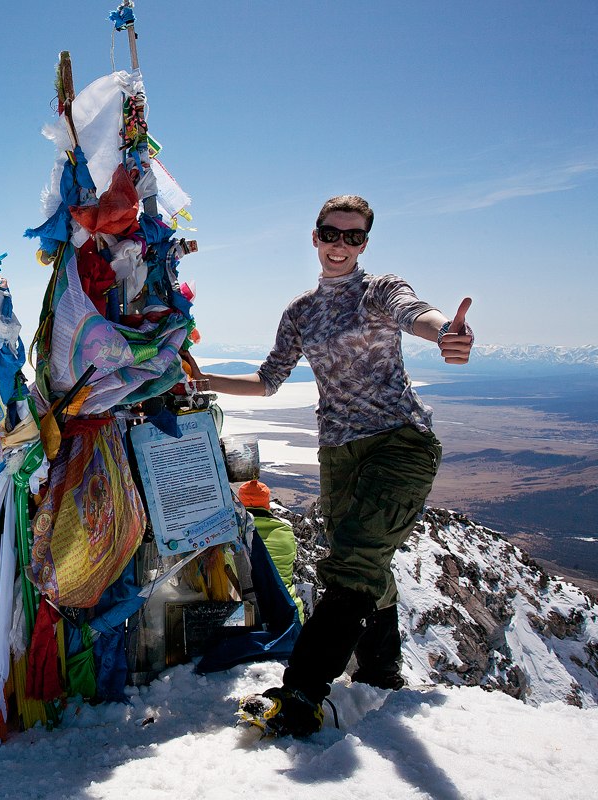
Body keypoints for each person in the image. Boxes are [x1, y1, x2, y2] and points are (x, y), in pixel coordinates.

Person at [196, 195, 474, 736]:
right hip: (337, 453)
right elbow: (268, 380)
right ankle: (380, 672)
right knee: (365, 560)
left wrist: (445, 333)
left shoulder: (378, 290)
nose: (341, 245)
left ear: (365, 243)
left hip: (398, 443)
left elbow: (414, 313)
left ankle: (301, 692)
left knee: (352, 563)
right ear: (316, 237)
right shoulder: (300, 312)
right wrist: (207, 382)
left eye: (354, 236)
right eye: (332, 233)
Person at [237, 479, 304, 623]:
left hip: (247, 615)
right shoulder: (286, 531)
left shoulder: (235, 533)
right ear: (266, 504)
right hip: (288, 613)